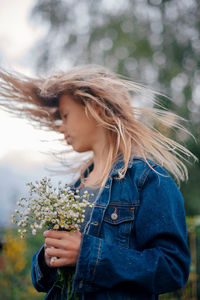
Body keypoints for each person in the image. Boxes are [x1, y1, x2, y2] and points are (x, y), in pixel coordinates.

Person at [0, 65, 197, 300]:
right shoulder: (73, 189)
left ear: (94, 108)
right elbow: (42, 282)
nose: (61, 127)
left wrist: (87, 253)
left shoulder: (149, 180)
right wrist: (46, 258)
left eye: (65, 115)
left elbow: (173, 269)